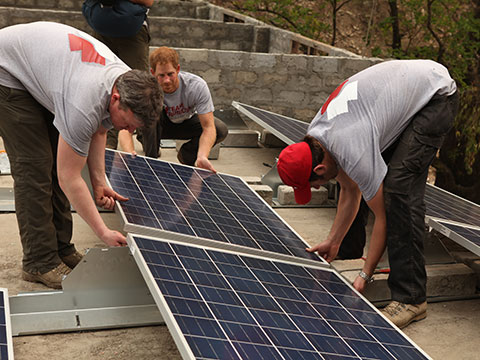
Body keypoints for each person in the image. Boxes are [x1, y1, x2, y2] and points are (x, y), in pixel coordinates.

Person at [276, 59, 458, 329]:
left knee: (398, 191)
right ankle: (348, 247)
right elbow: (350, 188)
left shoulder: (350, 146)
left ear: (319, 167)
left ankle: (412, 298)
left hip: (435, 96)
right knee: (366, 180)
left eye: (313, 184)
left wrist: (365, 274)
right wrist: (333, 241)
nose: (314, 189)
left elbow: (382, 217)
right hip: (408, 90)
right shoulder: (318, 134)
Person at [0, 22, 163, 289]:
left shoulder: (125, 81)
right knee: (36, 168)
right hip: (7, 72)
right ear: (116, 98)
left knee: (56, 160)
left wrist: (99, 181)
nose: (131, 131)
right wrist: (103, 232)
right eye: (131, 123)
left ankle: (62, 249)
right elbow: (70, 177)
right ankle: (39, 261)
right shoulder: (83, 101)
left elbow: (99, 131)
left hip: (44, 70)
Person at [119, 46, 229, 173]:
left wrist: (202, 156)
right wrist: (130, 154)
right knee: (152, 113)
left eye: (170, 74)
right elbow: (125, 128)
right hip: (157, 125)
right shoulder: (145, 89)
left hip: (186, 123)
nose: (167, 80)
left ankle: (187, 156)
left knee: (220, 129)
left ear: (177, 69)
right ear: (153, 73)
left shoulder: (196, 86)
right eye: (161, 75)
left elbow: (208, 127)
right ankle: (151, 161)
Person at [82, 0, 154, 150]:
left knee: (139, 88)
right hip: (103, 27)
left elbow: (148, 1)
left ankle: (147, 142)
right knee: (100, 85)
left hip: (132, 31)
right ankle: (107, 143)